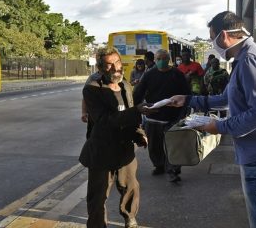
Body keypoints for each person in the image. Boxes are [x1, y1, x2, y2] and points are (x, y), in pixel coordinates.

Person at [169, 11, 256, 228]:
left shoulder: (251, 60)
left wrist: (219, 126)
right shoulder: (246, 58)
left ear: (223, 35)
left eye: (212, 38)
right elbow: (227, 99)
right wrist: (188, 100)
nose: (213, 45)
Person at [79, 46, 154, 228]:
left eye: (117, 63)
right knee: (98, 197)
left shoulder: (125, 85)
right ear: (100, 68)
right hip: (101, 151)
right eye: (109, 65)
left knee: (130, 188)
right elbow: (104, 120)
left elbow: (129, 114)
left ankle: (130, 218)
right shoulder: (92, 89)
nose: (115, 68)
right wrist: (136, 111)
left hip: (124, 149)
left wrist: (139, 134)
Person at [133, 49, 190, 182]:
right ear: (155, 60)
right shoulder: (148, 75)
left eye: (164, 58)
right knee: (154, 145)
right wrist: (135, 108)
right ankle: (159, 165)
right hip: (153, 116)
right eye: (159, 59)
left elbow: (187, 93)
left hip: (173, 117)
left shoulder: (177, 74)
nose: (161, 61)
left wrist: (185, 110)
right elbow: (139, 92)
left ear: (169, 59)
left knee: (173, 145)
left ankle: (173, 170)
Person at [81, 71, 102, 138]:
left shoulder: (117, 77)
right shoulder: (93, 77)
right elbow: (86, 96)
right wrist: (84, 112)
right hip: (95, 116)